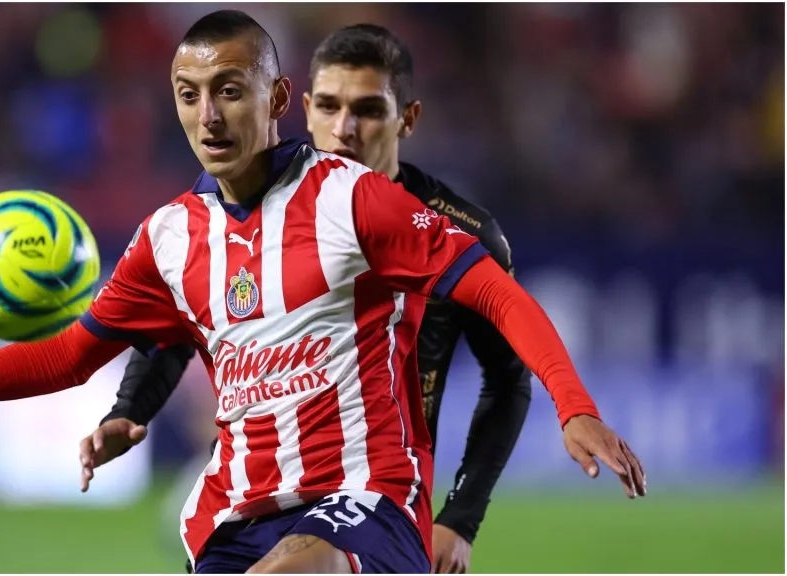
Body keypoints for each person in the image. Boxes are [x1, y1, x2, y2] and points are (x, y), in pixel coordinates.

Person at [0, 10, 645, 575]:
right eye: (190, 95)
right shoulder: (169, 236)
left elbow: (499, 296)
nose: (209, 115)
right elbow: (77, 355)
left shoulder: (352, 200)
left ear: (275, 100)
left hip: (365, 502)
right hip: (235, 512)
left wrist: (572, 406)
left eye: (230, 89)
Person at [95, 23, 535, 574]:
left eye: (368, 110)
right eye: (327, 106)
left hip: (369, 498)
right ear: (302, 109)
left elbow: (509, 378)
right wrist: (129, 410)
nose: (343, 128)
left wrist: (461, 517)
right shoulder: (243, 211)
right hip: (259, 500)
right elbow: (173, 328)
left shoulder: (459, 235)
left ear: (408, 119)